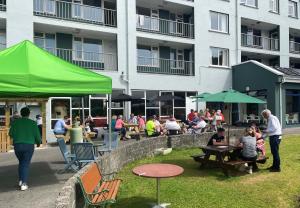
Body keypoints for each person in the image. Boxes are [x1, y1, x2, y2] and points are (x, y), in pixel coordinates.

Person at [9, 107, 41, 191]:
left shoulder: (15, 122)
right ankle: (24, 183)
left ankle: (20, 180)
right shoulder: (33, 123)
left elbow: (11, 134)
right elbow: (37, 136)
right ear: (29, 114)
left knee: (21, 162)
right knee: (25, 164)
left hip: (17, 145)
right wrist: (38, 143)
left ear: (21, 113)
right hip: (28, 146)